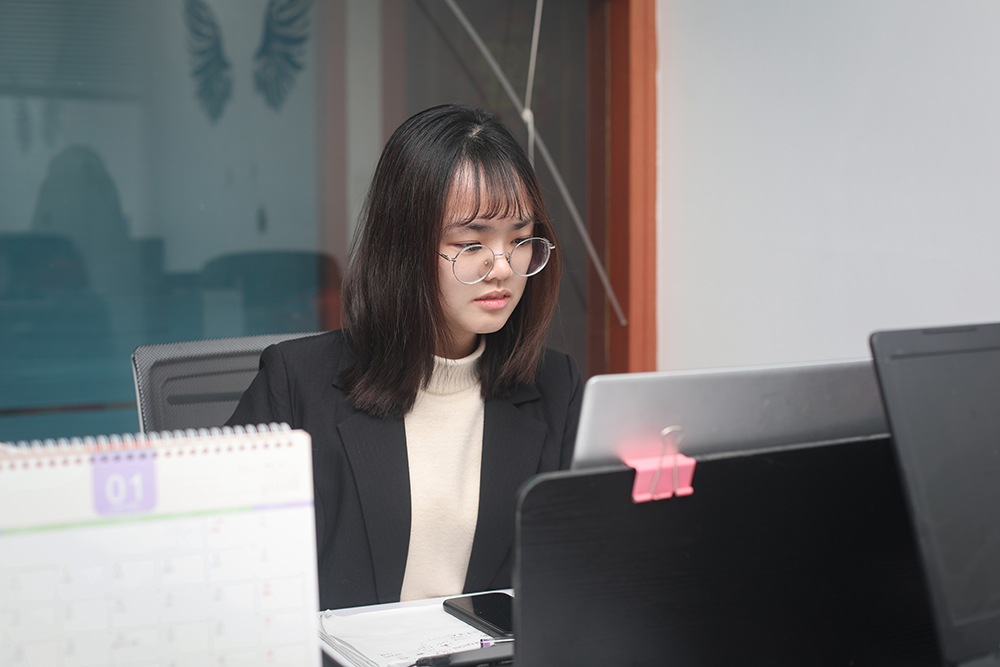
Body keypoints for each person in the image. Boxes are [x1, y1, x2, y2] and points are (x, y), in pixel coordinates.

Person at [227, 103, 582, 611]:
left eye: (521, 240)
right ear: (404, 248)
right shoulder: (296, 384)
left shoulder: (555, 386)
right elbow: (226, 568)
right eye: (471, 244)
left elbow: (579, 571)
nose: (503, 267)